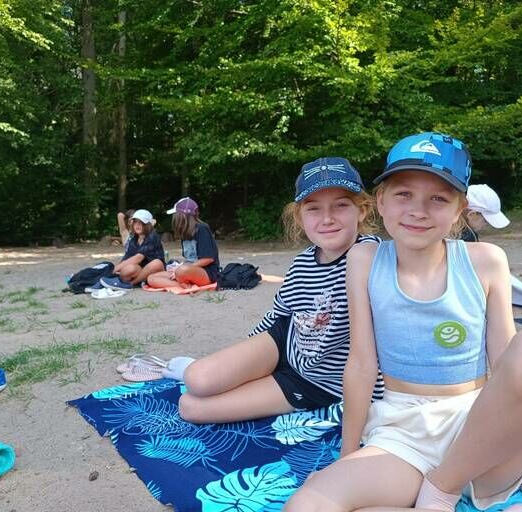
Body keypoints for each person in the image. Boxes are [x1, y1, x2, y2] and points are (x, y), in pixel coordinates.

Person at [282, 133, 522, 512]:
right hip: (402, 433)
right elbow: (361, 364)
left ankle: (442, 489)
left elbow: (510, 375)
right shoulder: (365, 259)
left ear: (461, 209)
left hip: (480, 429)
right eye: (404, 194)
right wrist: (348, 456)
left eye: (438, 199)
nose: (418, 210)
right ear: (381, 202)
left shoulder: (485, 261)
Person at [177, 158, 383, 424]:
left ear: (362, 211)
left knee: (190, 407)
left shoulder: (373, 257)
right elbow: (278, 314)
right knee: (196, 378)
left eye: (341, 205)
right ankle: (226, 372)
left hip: (317, 382)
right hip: (285, 340)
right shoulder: (302, 262)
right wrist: (248, 355)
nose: (327, 218)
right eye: (314, 208)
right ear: (299, 217)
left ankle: (258, 381)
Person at [146, 197, 220, 289]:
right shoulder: (185, 232)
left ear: (182, 216)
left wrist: (181, 269)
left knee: (181, 270)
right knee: (151, 278)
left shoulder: (202, 229)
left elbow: (208, 259)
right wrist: (177, 267)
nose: (174, 217)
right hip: (187, 270)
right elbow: (188, 260)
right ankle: (185, 285)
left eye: (175, 214)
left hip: (207, 273)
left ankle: (184, 282)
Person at [102, 209, 165, 289]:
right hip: (141, 270)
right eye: (135, 222)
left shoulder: (152, 236)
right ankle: (140, 281)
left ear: (148, 224)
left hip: (155, 270)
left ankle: (132, 283)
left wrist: (113, 270)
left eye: (141, 222)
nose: (137, 225)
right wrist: (116, 270)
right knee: (128, 269)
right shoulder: (134, 239)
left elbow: (138, 258)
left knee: (157, 263)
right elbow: (127, 258)